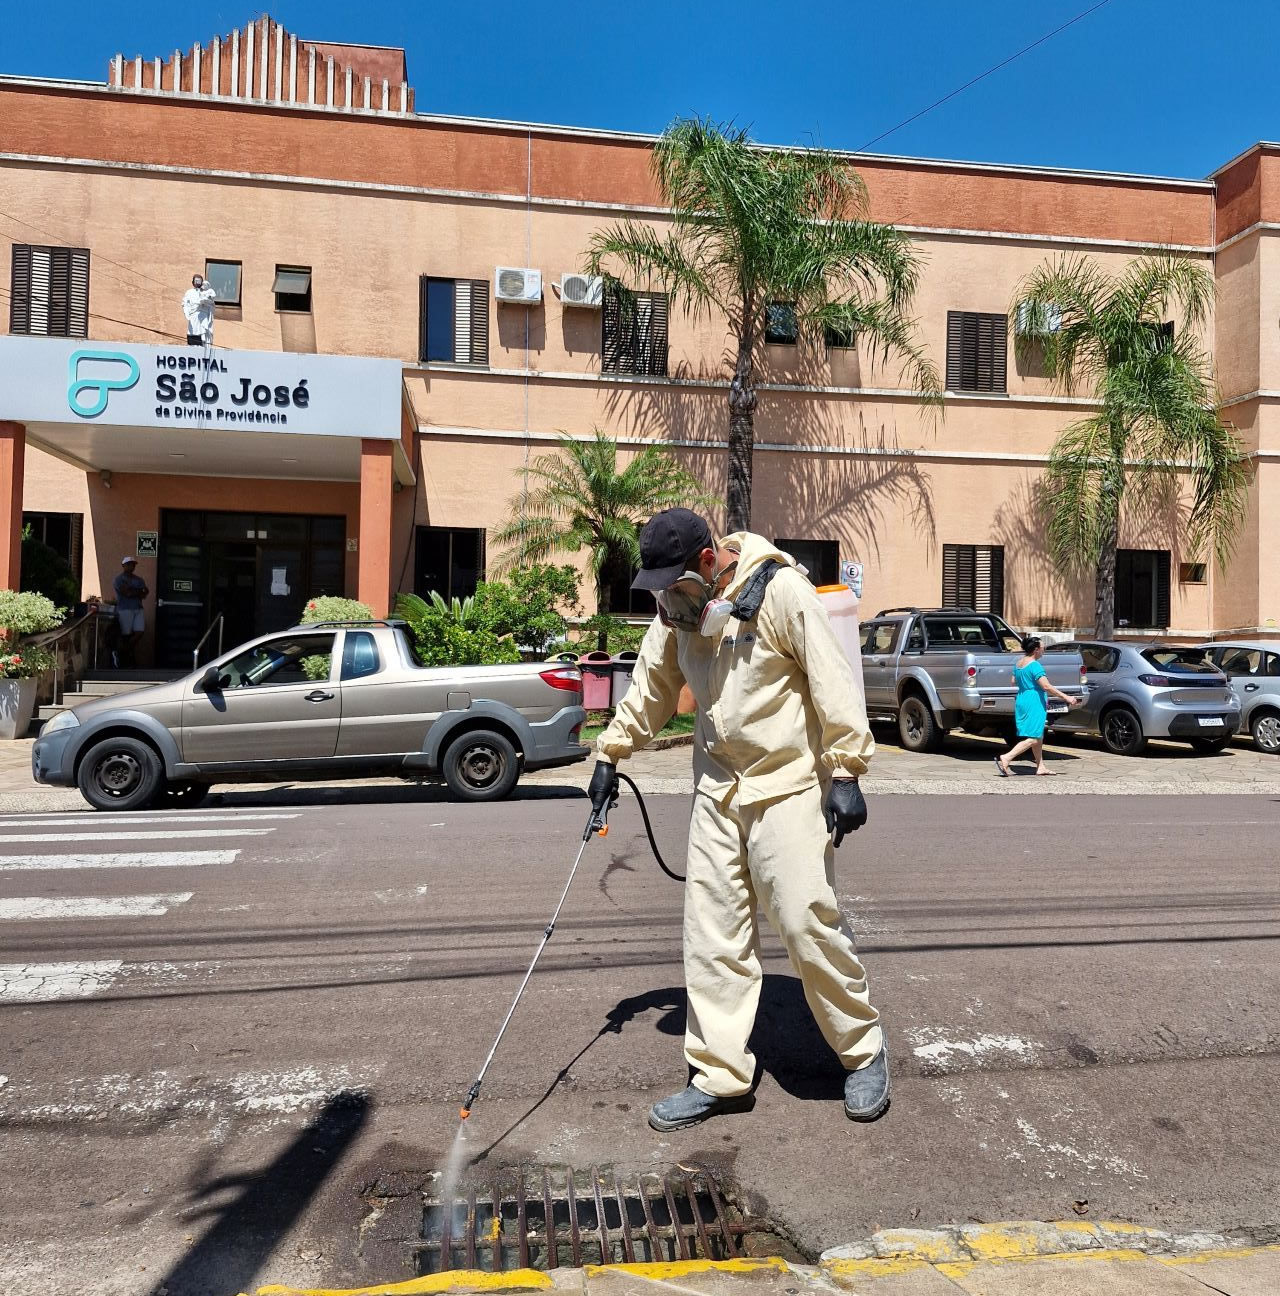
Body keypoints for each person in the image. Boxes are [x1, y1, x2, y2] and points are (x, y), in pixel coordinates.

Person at [589, 508, 888, 1131]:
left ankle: (862, 1052)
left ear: (708, 561)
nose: (667, 601)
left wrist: (847, 772)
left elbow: (832, 678)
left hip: (788, 786)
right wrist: (610, 754)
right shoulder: (677, 614)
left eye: (675, 585)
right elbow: (651, 689)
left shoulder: (780, 591)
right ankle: (719, 1075)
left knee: (805, 921)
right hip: (718, 791)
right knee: (712, 935)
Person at [996, 636, 1083, 777]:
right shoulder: (1035, 665)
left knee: (1038, 735)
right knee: (1034, 737)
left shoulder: (1019, 663)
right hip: (1034, 701)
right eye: (1043, 647)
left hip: (1022, 698)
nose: (1044, 650)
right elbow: (1046, 686)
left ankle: (1040, 766)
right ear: (1036, 649)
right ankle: (1007, 757)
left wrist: (1027, 682)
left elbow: (1013, 681)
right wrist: (1066, 697)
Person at [112, 557, 148, 668]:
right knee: (126, 635)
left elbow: (145, 593)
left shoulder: (139, 579)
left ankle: (122, 652)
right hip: (125, 609)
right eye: (128, 564)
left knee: (139, 632)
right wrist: (138, 591)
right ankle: (126, 657)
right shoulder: (119, 579)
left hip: (138, 608)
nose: (131, 566)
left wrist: (133, 591)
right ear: (123, 566)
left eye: (133, 564)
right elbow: (126, 593)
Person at [182, 273, 217, 348]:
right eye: (196, 281)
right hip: (193, 316)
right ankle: (193, 347)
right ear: (193, 282)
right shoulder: (189, 292)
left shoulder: (206, 291)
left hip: (203, 314)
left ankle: (204, 346)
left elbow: (212, 302)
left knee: (203, 331)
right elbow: (185, 303)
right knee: (193, 331)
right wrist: (186, 312)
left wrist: (206, 302)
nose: (197, 283)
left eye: (199, 281)